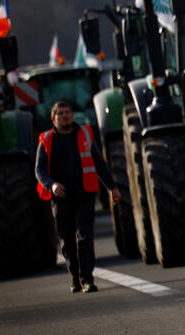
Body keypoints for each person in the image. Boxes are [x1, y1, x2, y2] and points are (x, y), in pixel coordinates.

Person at [34, 100, 121, 294]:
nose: (64, 116)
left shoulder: (85, 135)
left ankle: (87, 279)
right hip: (61, 198)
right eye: (60, 113)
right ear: (53, 118)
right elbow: (39, 170)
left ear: (72, 115)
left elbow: (99, 163)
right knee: (67, 240)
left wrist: (112, 188)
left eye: (67, 112)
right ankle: (74, 277)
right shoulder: (46, 140)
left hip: (84, 194)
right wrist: (52, 185)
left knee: (85, 237)